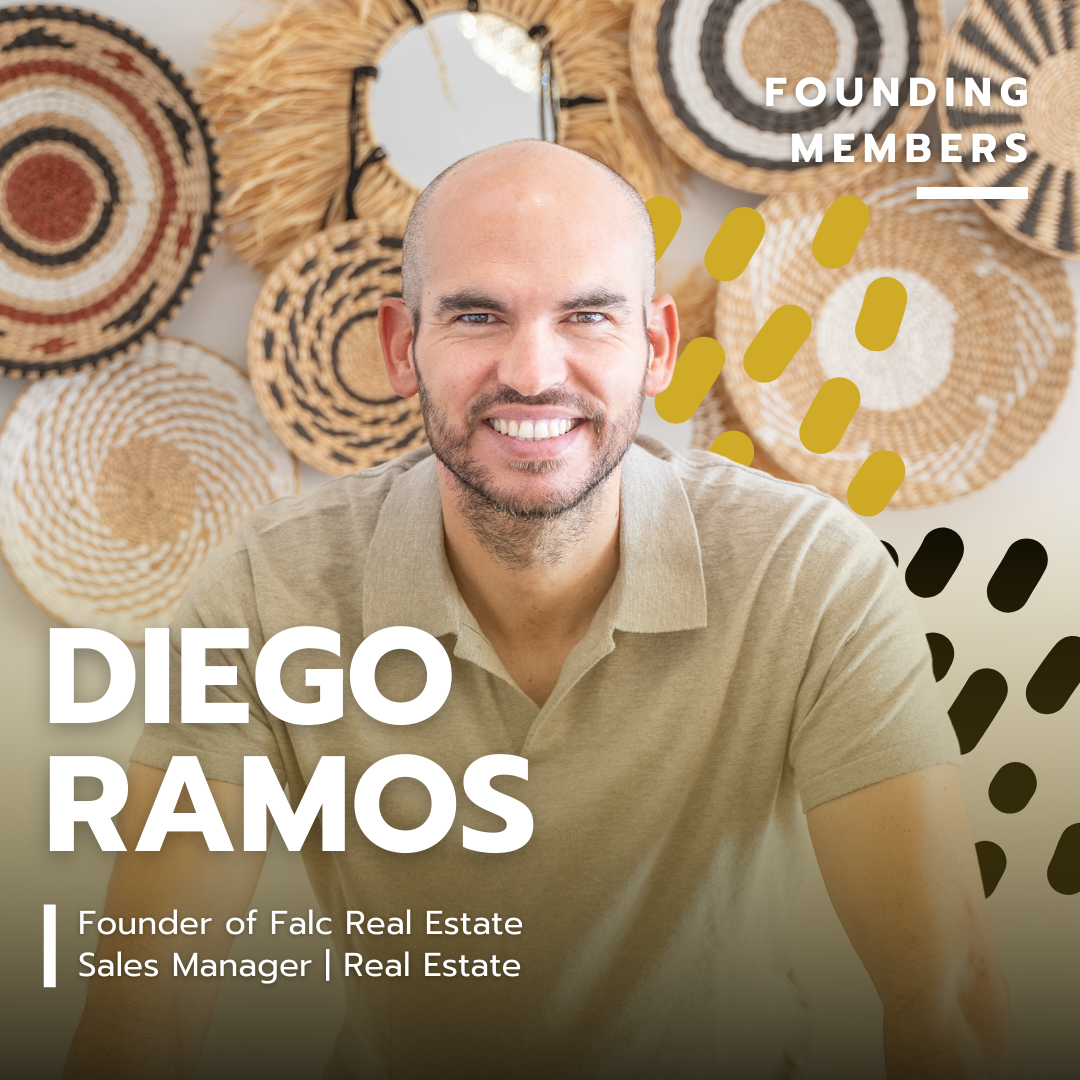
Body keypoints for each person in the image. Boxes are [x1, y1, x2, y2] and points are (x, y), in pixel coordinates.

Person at [65, 140, 1019, 1080]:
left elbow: (943, 993)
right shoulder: (274, 586)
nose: (531, 372)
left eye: (587, 317)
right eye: (479, 315)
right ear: (405, 347)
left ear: (655, 348)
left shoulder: (809, 571)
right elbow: (145, 1000)